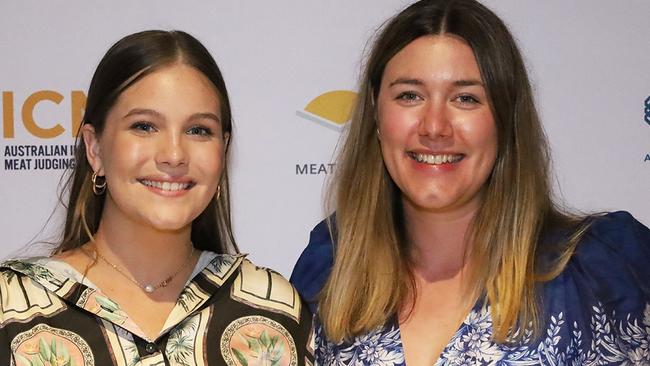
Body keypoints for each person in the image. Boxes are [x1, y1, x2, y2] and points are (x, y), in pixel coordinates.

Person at [290, 0, 650, 365]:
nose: (434, 126)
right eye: (409, 95)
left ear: (506, 117)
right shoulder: (330, 273)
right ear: (376, 113)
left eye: (466, 98)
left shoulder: (598, 273)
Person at [0, 30, 314, 365]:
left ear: (223, 150)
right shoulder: (12, 309)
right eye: (145, 126)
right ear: (95, 148)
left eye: (198, 130)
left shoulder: (274, 311)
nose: (174, 154)